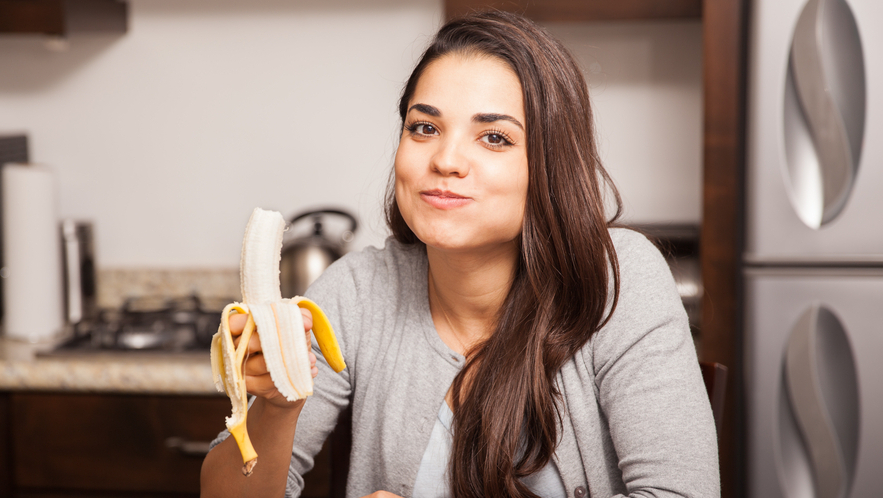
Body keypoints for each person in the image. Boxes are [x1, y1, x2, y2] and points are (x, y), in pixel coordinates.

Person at [201, 10, 719, 498]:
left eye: (494, 137)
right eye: (424, 127)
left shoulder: (619, 280)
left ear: (550, 165)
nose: (446, 160)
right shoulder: (358, 292)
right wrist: (277, 409)